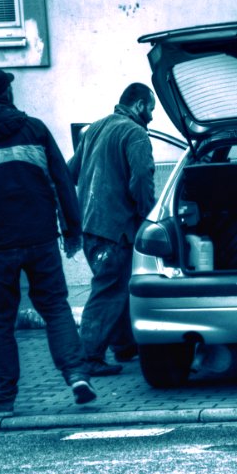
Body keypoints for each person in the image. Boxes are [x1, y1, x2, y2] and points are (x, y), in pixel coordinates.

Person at [0, 68, 97, 417]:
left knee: (0, 322)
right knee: (56, 308)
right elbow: (61, 181)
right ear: (6, 93)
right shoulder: (34, 129)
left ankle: (1, 401)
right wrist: (71, 230)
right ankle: (76, 375)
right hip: (41, 238)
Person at [68, 83, 157, 376]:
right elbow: (142, 176)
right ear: (140, 105)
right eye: (152, 109)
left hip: (91, 225)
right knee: (109, 290)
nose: (152, 117)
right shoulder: (135, 133)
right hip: (116, 228)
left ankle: (124, 346)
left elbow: (69, 172)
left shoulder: (95, 128)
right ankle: (88, 357)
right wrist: (149, 215)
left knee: (118, 286)